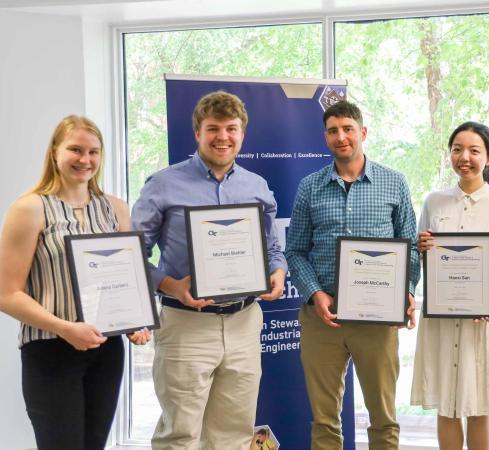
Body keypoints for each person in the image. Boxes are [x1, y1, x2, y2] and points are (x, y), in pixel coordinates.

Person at [131, 91, 287, 450]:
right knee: (181, 434)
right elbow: (133, 253)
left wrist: (277, 270)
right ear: (197, 133)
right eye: (213, 128)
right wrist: (170, 284)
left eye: (231, 128)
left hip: (245, 322)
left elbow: (271, 247)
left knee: (233, 432)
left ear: (242, 134)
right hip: (186, 324)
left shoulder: (256, 186)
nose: (223, 137)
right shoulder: (163, 184)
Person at [0, 115, 150, 450]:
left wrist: (135, 322)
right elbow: (6, 294)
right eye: (75, 150)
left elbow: (126, 279)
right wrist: (65, 327)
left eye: (93, 152)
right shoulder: (30, 209)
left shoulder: (115, 209)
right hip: (50, 350)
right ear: (55, 151)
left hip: (106, 350)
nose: (85, 160)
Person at [285, 100, 420, 449]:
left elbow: (410, 247)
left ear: (363, 132)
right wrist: (316, 293)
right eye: (333, 131)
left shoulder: (393, 183)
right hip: (322, 318)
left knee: (383, 420)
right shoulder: (310, 187)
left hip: (378, 319)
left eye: (347, 129)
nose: (341, 137)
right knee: (325, 421)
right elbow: (295, 251)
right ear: (325, 137)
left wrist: (405, 292)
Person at [410, 122, 489, 449]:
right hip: (441, 316)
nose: (464, 157)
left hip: (481, 319)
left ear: (488, 158)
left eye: (474, 150)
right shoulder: (434, 201)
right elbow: (424, 255)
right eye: (457, 149)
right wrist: (423, 248)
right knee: (446, 405)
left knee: (479, 406)